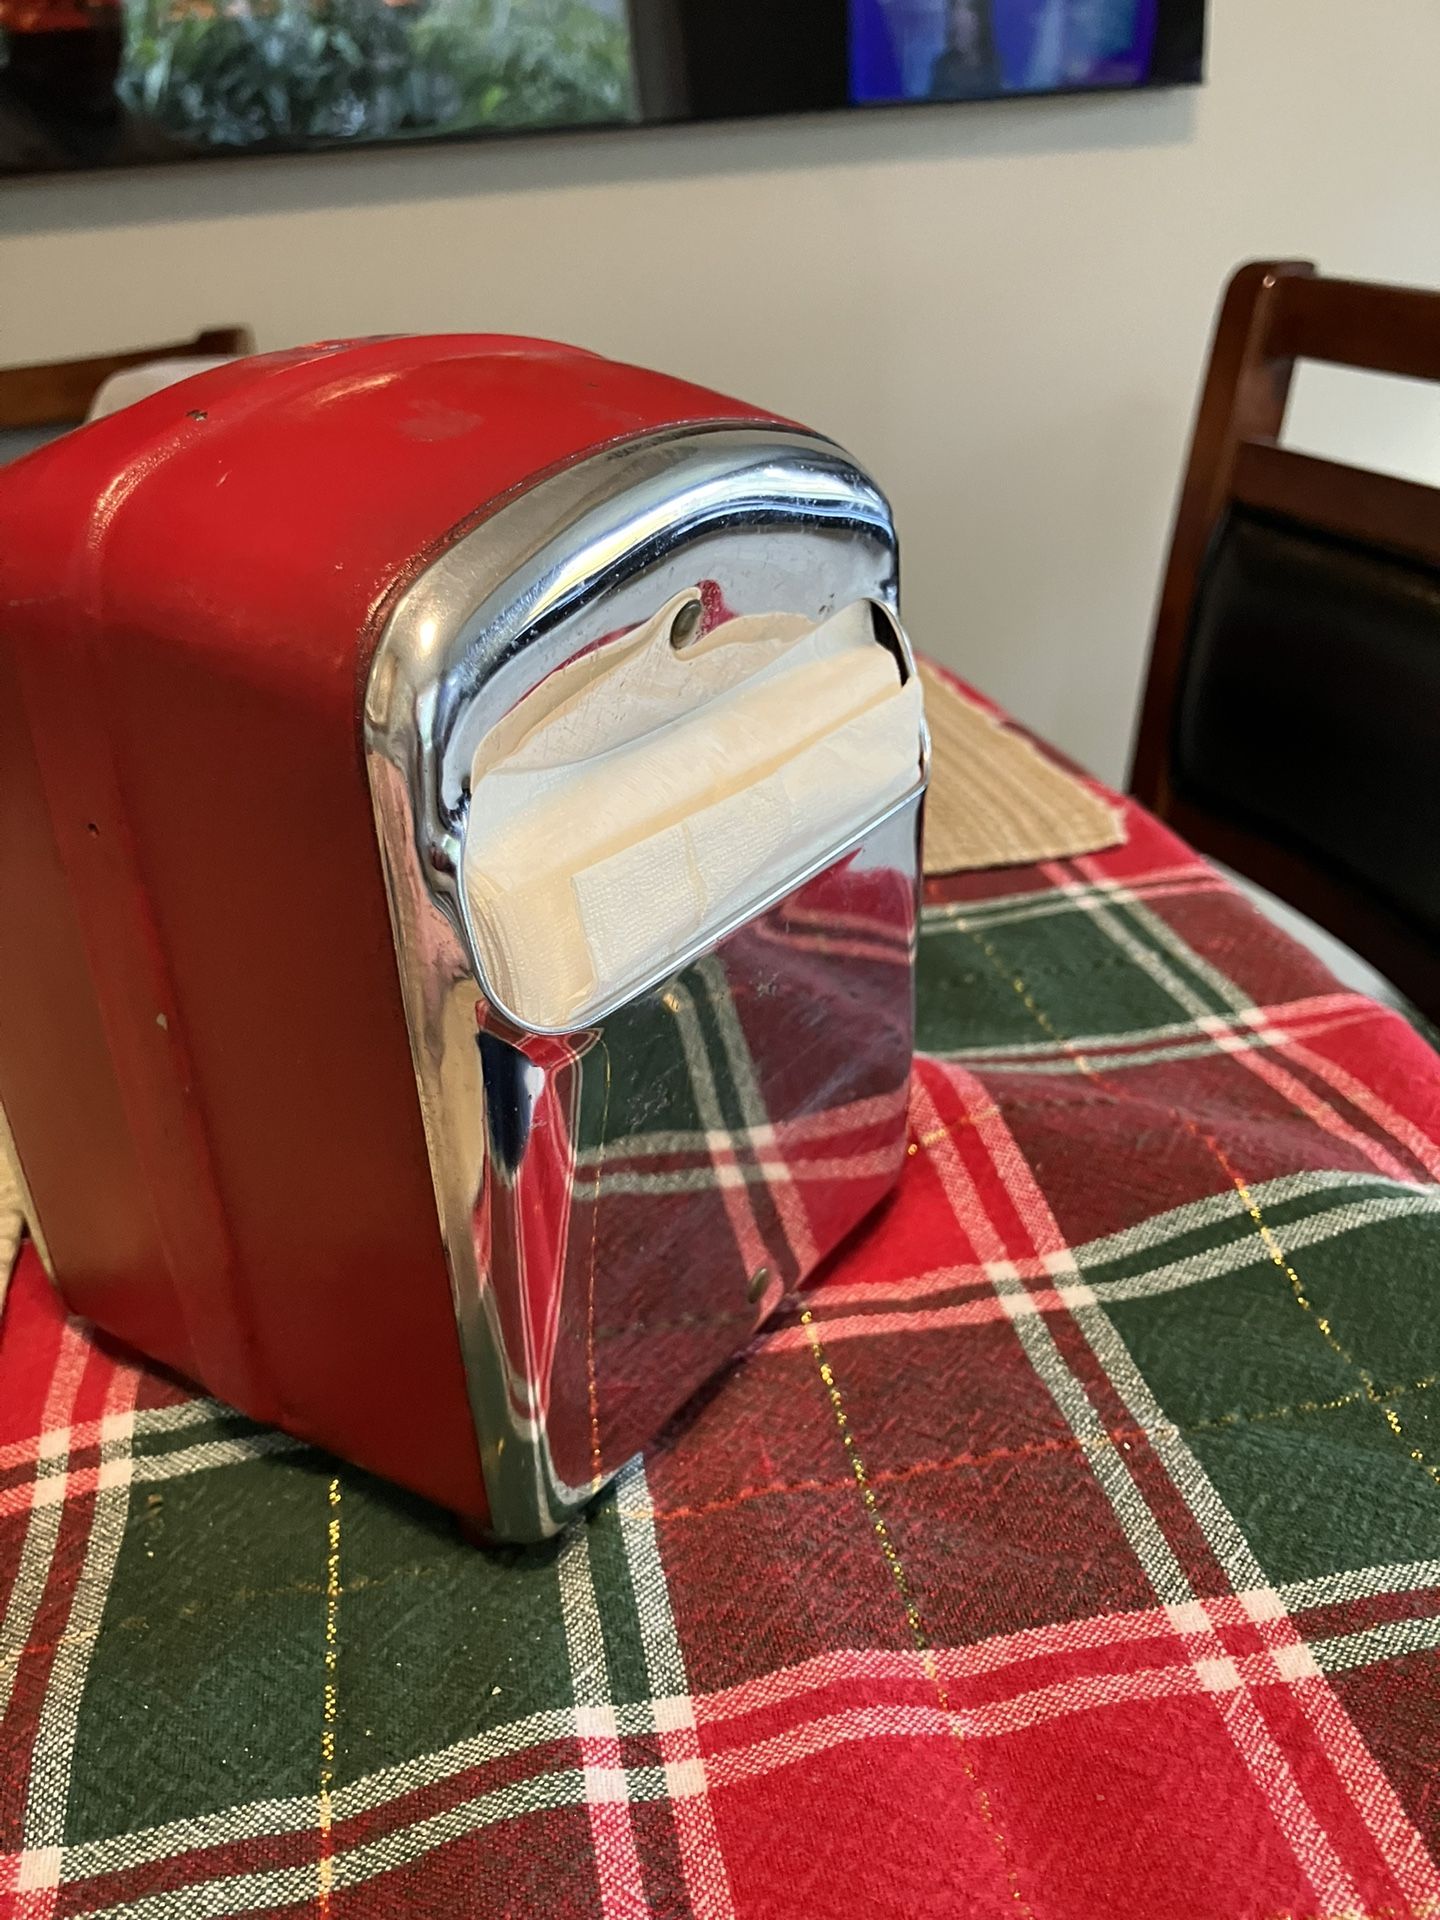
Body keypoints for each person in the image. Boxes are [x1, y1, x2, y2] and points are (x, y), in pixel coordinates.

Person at [929, 0, 1001, 100]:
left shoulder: (995, 66)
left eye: (968, 10)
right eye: (955, 10)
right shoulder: (942, 67)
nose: (958, 18)